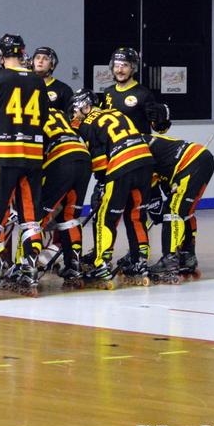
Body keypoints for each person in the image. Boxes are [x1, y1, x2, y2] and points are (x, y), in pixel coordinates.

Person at [0, 34, 50, 298]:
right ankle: (29, 271)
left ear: (2, 54)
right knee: (30, 216)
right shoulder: (38, 82)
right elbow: (44, 117)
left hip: (4, 155)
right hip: (32, 157)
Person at [69, 88, 154, 287]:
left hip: (121, 166)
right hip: (145, 162)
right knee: (136, 217)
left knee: (105, 219)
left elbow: (99, 160)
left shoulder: (88, 123)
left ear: (86, 106)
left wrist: (101, 183)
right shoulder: (115, 112)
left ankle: (102, 266)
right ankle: (140, 263)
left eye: (76, 110)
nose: (75, 115)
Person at [147, 133, 214, 281]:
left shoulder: (137, 151)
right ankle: (187, 255)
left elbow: (153, 192)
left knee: (173, 212)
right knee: (185, 211)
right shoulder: (143, 142)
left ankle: (169, 259)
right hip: (199, 159)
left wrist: (155, 211)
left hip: (190, 164)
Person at [38, 106, 91, 288]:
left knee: (37, 216)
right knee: (70, 218)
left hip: (61, 159)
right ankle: (73, 267)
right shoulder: (58, 112)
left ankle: (26, 268)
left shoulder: (32, 110)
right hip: (84, 158)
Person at [102, 47, 171, 135]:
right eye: (116, 66)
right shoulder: (108, 92)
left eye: (125, 65)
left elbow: (160, 129)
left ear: (133, 68)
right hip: (113, 146)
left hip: (137, 146)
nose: (119, 70)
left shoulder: (143, 94)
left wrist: (161, 123)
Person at [32, 46, 73, 113]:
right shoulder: (26, 86)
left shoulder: (64, 89)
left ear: (52, 65)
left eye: (45, 59)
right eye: (37, 58)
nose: (40, 61)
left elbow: (71, 117)